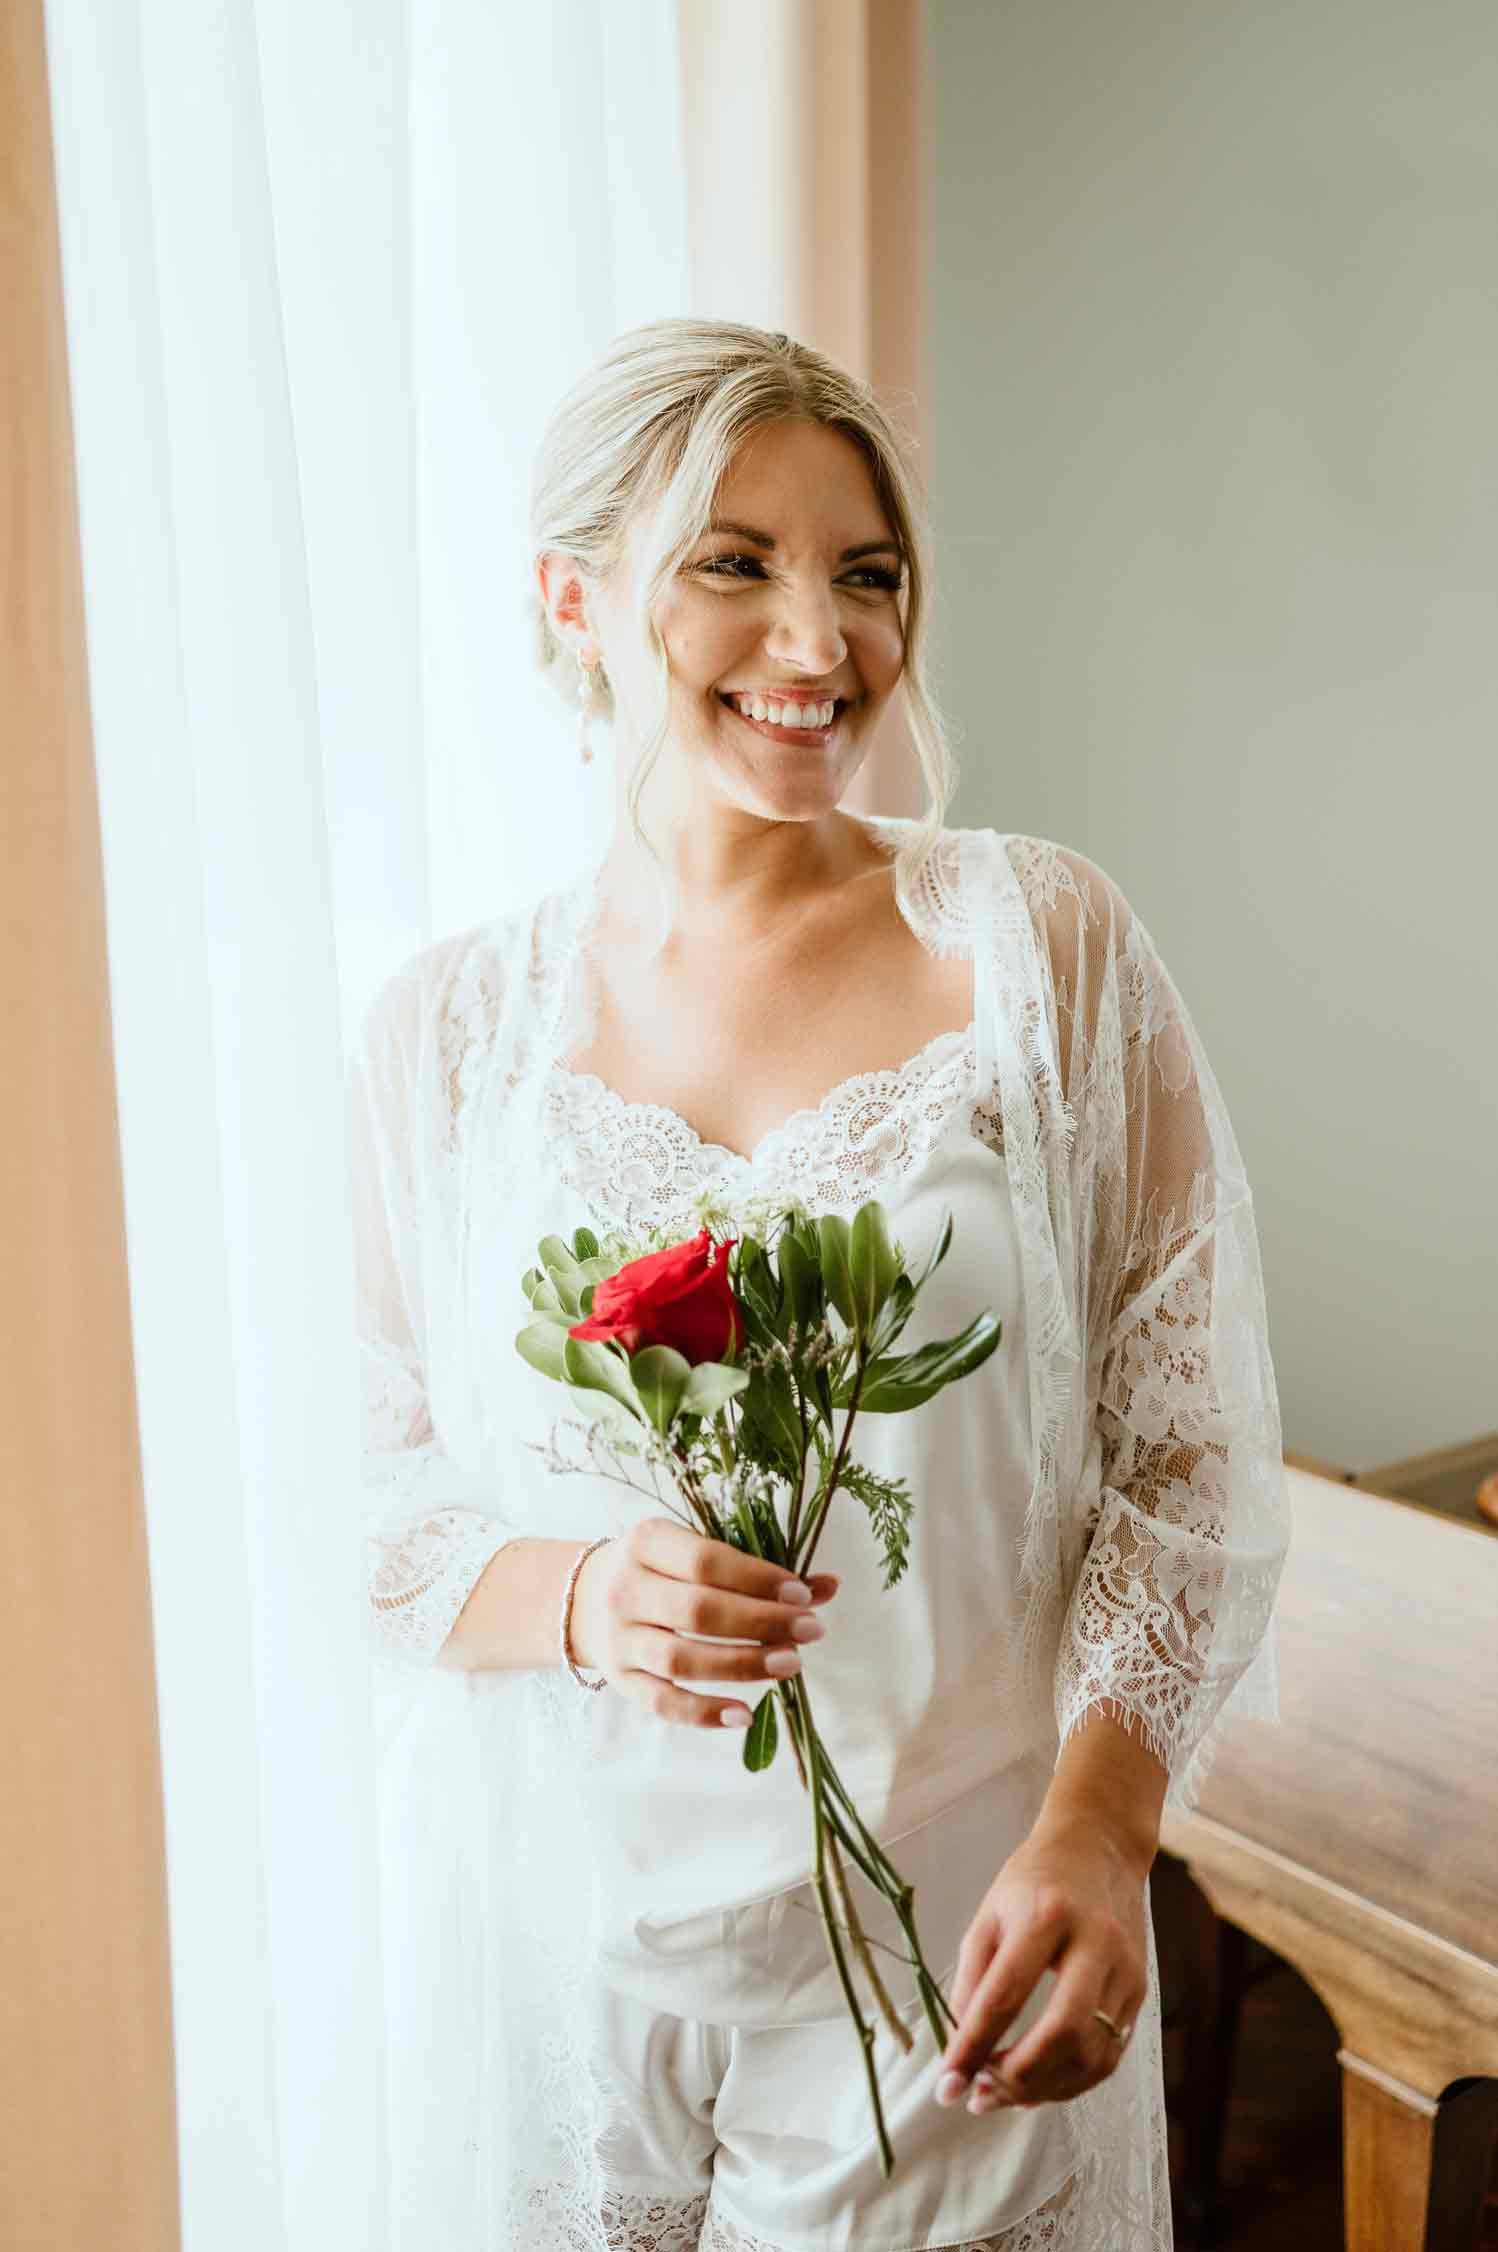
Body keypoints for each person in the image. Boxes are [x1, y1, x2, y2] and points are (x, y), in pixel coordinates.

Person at [347, 318, 1292, 2252]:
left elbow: (1185, 1464)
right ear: (576, 600)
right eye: (735, 563)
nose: (818, 643)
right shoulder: (448, 1037)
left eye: (865, 576)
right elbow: (360, 1506)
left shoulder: (1041, 952)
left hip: (951, 1963)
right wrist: (584, 1594)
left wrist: (1104, 1826)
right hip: (564, 1965)